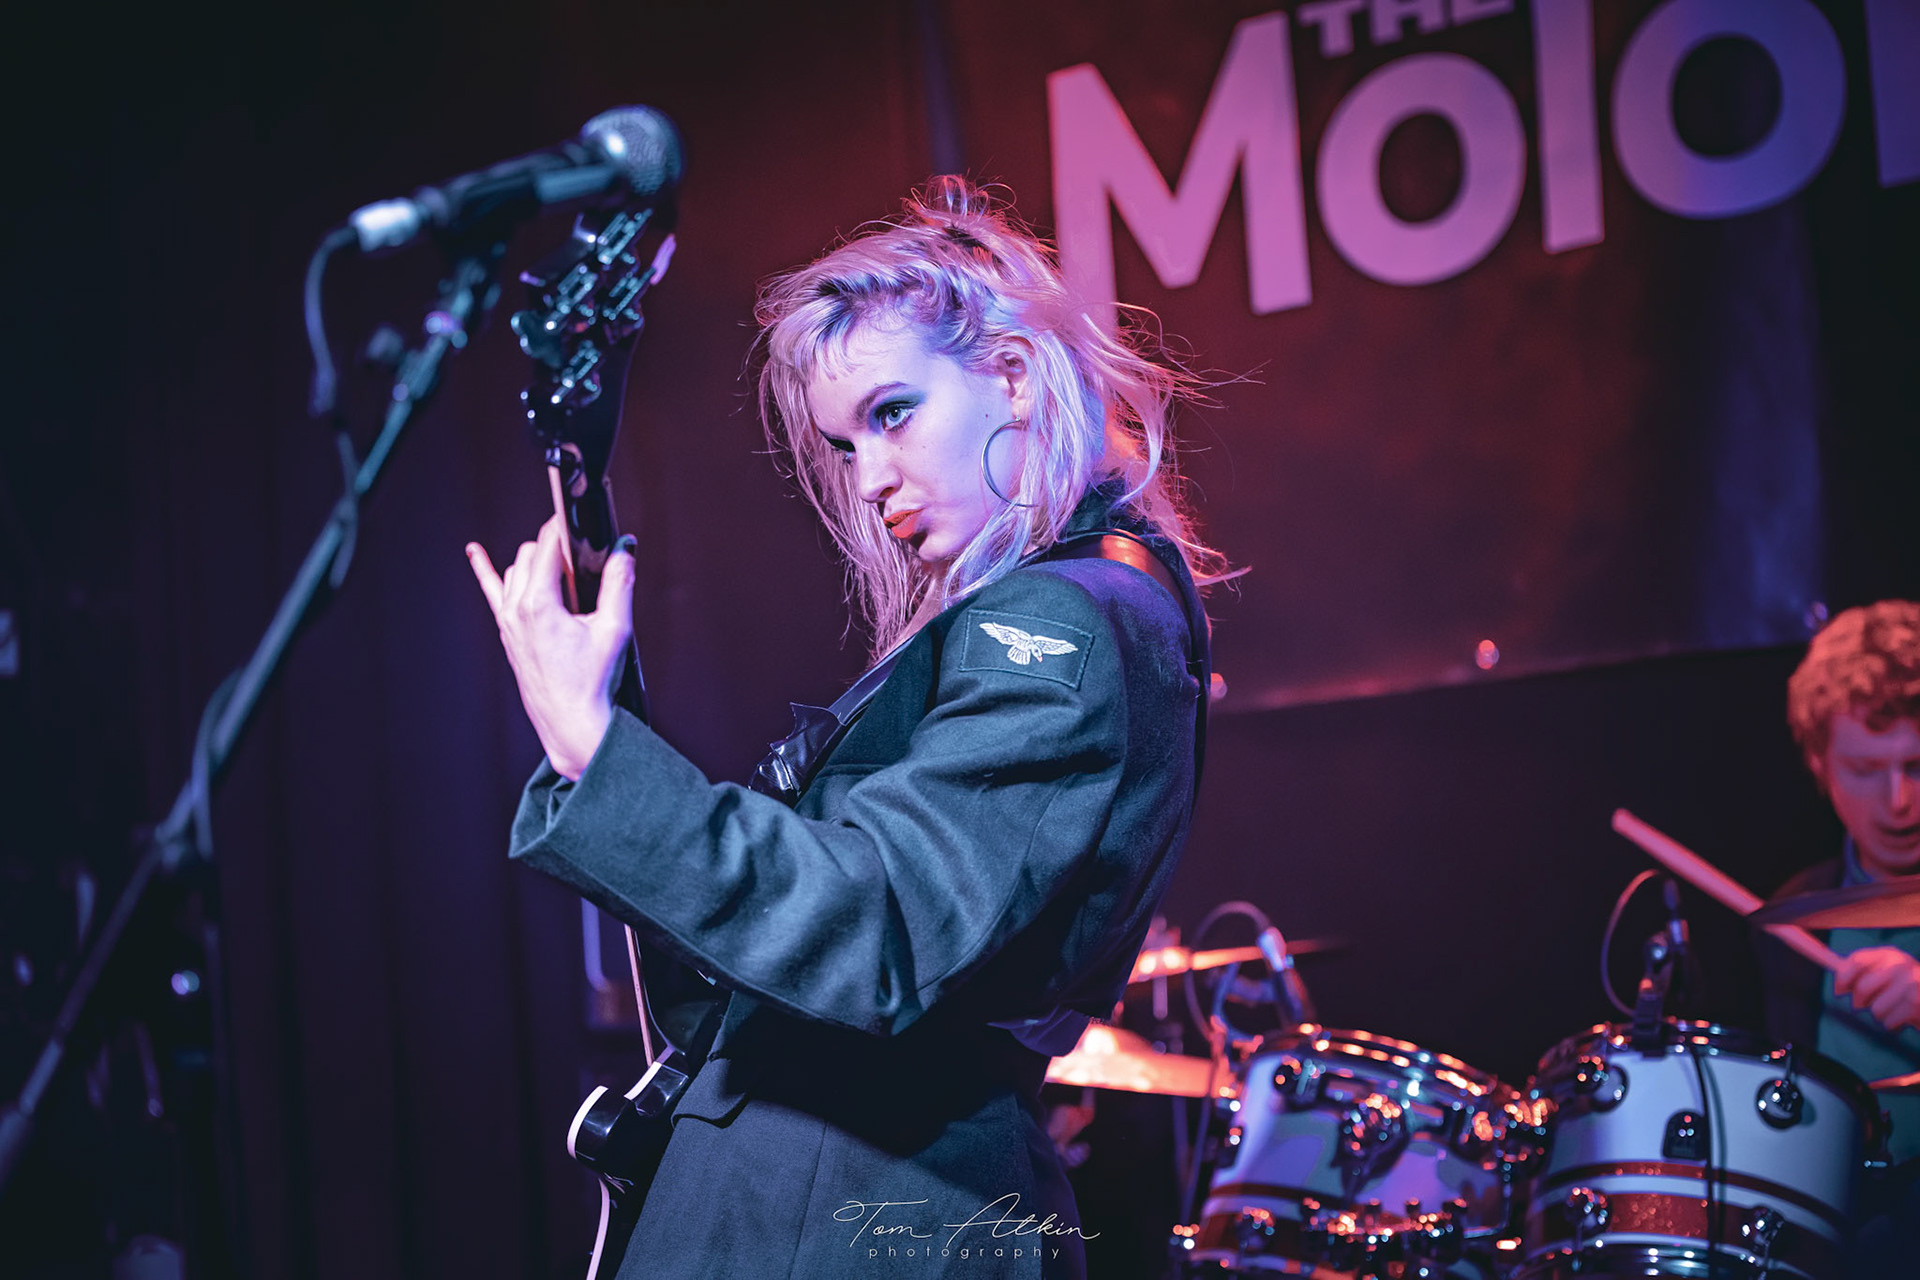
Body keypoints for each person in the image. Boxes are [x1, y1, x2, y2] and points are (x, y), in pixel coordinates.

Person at [466, 178, 1220, 1279]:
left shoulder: (1061, 619)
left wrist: (597, 750)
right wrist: (598, 752)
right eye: (843, 444)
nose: (867, 480)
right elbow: (752, 975)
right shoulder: (1038, 614)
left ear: (1013, 376)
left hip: (856, 1207)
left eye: (892, 413)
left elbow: (876, 931)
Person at [1758, 600, 1920, 1264]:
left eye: (1918, 766)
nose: (1898, 802)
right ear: (1819, 765)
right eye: (1865, 770)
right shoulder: (1794, 913)